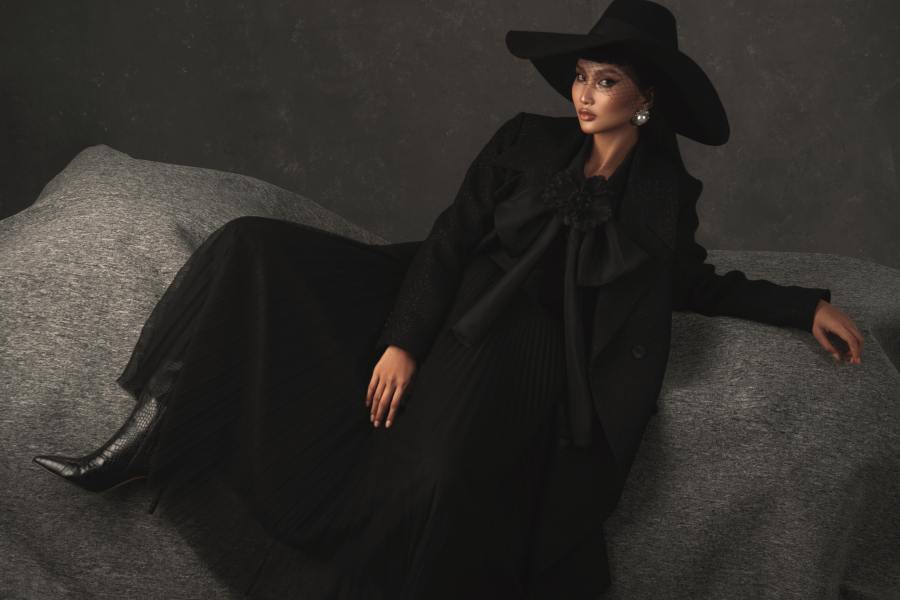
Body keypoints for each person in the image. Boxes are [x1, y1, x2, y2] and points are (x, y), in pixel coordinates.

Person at [32, 0, 864, 597]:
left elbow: (689, 281)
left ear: (644, 100)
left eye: (606, 81)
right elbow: (451, 238)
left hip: (533, 346)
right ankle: (150, 433)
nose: (583, 94)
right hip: (442, 287)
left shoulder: (663, 197)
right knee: (253, 248)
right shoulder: (524, 140)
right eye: (580, 77)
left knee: (428, 476)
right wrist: (404, 338)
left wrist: (803, 308)